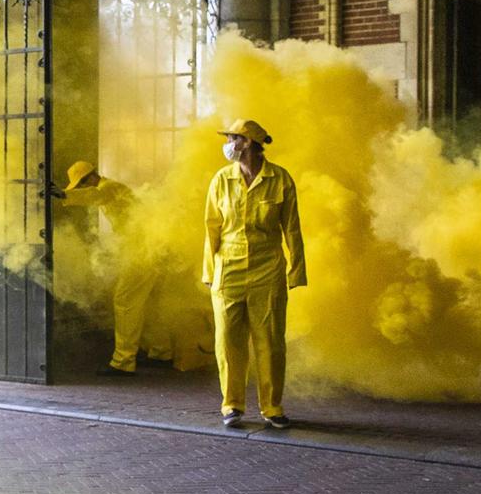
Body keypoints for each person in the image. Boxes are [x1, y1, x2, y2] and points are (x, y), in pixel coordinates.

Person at [201, 119, 306, 430]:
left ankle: (272, 406)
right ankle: (231, 405)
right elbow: (211, 228)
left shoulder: (281, 180)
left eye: (233, 137)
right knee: (228, 341)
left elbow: (292, 229)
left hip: (267, 271)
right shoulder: (221, 180)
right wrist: (209, 272)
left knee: (270, 342)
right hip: (228, 270)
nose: (229, 142)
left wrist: (296, 270)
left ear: (248, 143)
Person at [50, 160, 172, 377]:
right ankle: (161, 352)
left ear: (89, 178)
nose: (80, 189)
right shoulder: (113, 189)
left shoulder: (108, 188)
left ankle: (123, 361)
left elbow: (94, 195)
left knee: (125, 300)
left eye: (80, 185)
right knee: (149, 301)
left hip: (141, 252)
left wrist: (63, 195)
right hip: (148, 249)